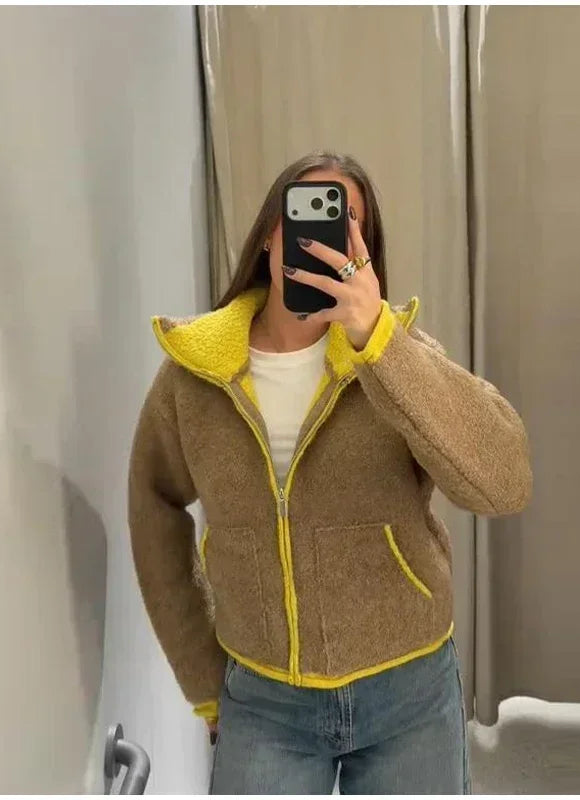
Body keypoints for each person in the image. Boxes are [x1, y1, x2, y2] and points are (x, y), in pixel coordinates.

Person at [128, 151, 532, 794]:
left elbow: (504, 483)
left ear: (363, 253)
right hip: (263, 700)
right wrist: (202, 676)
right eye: (303, 216)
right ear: (270, 234)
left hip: (409, 688)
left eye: (347, 225)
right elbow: (154, 508)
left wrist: (380, 341)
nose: (321, 238)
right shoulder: (195, 374)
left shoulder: (398, 356)